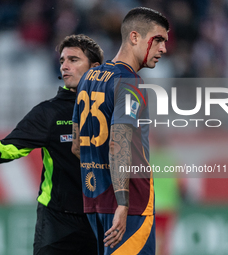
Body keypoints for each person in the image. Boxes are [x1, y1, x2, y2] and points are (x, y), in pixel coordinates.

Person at [0, 34, 104, 255]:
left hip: (102, 218)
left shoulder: (113, 110)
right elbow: (7, 151)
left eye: (73, 60)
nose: (65, 66)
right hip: (58, 221)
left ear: (95, 68)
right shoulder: (48, 113)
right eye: (62, 61)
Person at [72, 7, 169, 255]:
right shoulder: (131, 82)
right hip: (130, 204)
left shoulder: (89, 77)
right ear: (134, 37)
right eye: (157, 40)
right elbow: (118, 143)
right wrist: (123, 202)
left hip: (95, 202)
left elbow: (76, 145)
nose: (163, 49)